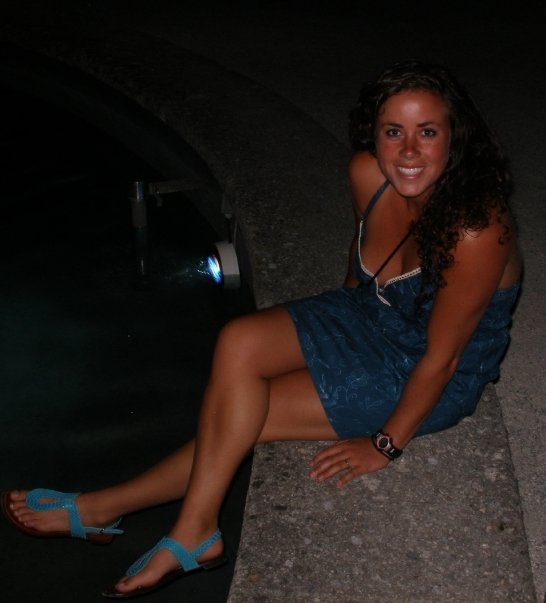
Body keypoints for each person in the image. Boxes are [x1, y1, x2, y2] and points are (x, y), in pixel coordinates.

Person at [1, 60, 522, 599]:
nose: (408, 151)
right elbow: (362, 247)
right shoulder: (367, 174)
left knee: (253, 413)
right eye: (394, 132)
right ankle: (169, 524)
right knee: (239, 340)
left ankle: (135, 516)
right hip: (370, 313)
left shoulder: (476, 229)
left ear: (455, 137)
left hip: (426, 364)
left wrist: (385, 444)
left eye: (427, 132)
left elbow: (443, 358)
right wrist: (339, 310)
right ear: (374, 135)